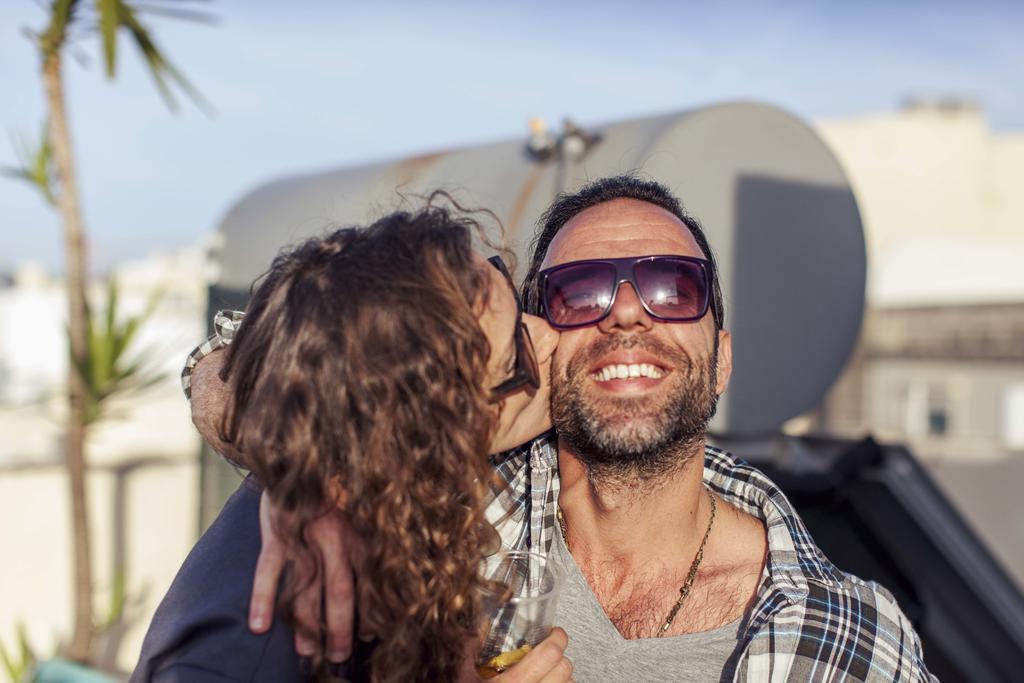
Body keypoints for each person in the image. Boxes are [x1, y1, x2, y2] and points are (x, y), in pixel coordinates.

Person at [182, 176, 934, 681]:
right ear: (537, 340)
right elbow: (234, 358)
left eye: (674, 287)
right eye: (581, 292)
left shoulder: (855, 637)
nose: (628, 312)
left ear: (723, 358)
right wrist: (305, 460)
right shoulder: (443, 502)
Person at [132, 200, 574, 682]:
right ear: (432, 420)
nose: (549, 336)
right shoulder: (250, 637)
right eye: (518, 351)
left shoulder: (393, 519)